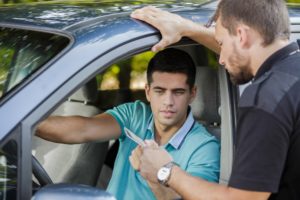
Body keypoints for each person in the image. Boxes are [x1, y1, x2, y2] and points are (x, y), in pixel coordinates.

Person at [130, 0, 300, 199]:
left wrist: (165, 170)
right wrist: (187, 28)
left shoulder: (264, 99)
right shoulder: (291, 72)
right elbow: (248, 48)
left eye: (220, 43)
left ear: (242, 35)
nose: (220, 59)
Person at [36, 48, 220, 200]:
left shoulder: (205, 148)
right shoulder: (135, 115)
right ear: (148, 92)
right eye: (159, 91)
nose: (168, 101)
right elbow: (83, 129)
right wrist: (25, 124)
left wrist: (154, 175)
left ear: (192, 94)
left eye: (178, 92)